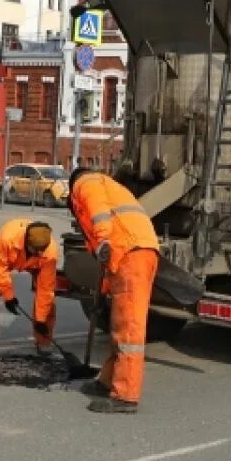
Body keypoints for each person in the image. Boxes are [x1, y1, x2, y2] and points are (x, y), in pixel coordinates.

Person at [68, 168, 159, 414]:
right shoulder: (110, 188)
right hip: (130, 252)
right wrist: (104, 291)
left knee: (129, 327)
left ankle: (125, 396)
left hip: (132, 252)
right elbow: (107, 257)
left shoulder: (86, 182)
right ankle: (106, 381)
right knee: (118, 325)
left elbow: (99, 213)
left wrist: (104, 239)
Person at [0, 220, 59, 355]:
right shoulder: (6, 239)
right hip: (5, 258)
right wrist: (9, 297)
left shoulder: (49, 252)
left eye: (42, 250)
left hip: (36, 265)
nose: (40, 253)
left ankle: (43, 339)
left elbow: (46, 289)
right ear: (26, 242)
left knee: (48, 300)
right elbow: (1, 270)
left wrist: (40, 321)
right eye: (36, 250)